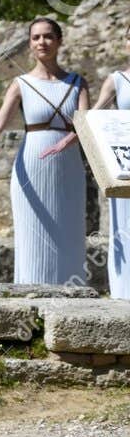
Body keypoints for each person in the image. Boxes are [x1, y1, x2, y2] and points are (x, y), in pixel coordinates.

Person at [0, 18, 88, 285]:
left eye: (47, 36)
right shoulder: (21, 83)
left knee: (70, 230)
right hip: (32, 162)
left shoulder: (78, 83)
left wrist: (69, 140)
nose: (41, 42)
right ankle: (32, 295)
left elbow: (85, 123)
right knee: (33, 234)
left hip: (68, 165)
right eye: (35, 38)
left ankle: (71, 294)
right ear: (30, 44)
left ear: (59, 41)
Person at [89, 56, 130, 299]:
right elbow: (93, 117)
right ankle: (126, 292)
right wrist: (71, 136)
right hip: (124, 163)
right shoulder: (117, 80)